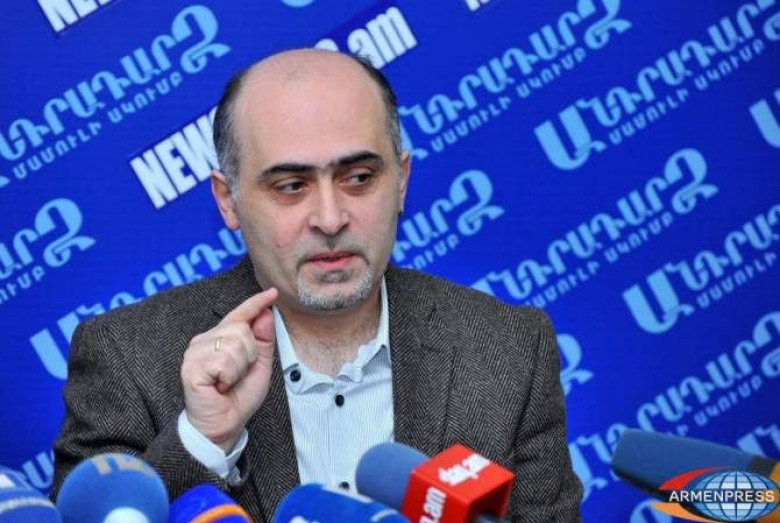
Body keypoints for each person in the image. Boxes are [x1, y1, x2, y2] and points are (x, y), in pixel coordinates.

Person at [52, 49, 583, 522]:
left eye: (359, 178)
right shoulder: (128, 357)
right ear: (228, 200)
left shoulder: (508, 349)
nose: (330, 218)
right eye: (291, 186)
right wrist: (205, 438)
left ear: (401, 181)